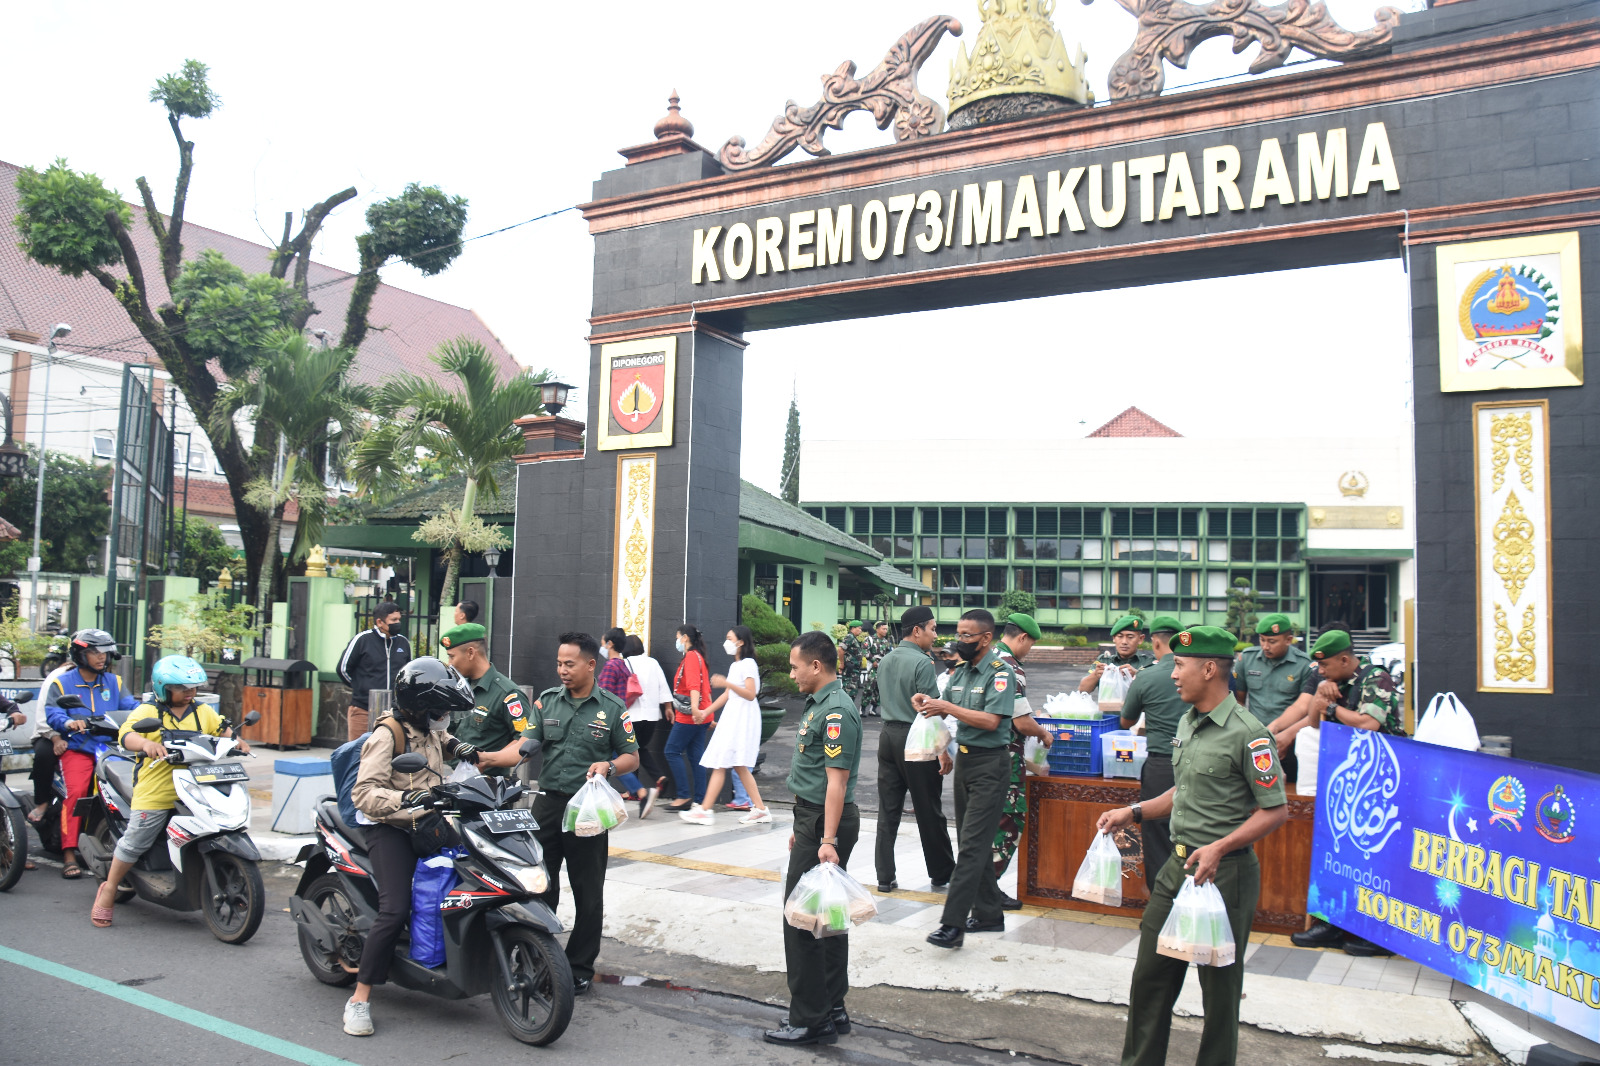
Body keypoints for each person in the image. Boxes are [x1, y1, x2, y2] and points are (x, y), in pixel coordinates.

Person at [1096, 626, 1289, 1066]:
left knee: (1219, 994)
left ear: (1209, 668)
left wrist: (1221, 847)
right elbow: (1183, 791)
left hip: (1225, 876)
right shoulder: (1187, 721)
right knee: (1150, 980)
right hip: (1176, 870)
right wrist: (1136, 811)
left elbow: (1274, 810)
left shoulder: (1249, 734)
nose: (1173, 675)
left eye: (1180, 666)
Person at [340, 657, 479, 1036]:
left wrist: (461, 749)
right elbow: (364, 793)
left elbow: (441, 741)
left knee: (474, 869)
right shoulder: (387, 735)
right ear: (418, 706)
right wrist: (406, 802)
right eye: (441, 709)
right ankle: (359, 999)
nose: (444, 717)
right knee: (394, 909)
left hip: (428, 819)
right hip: (392, 827)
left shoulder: (429, 726)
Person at [90, 654, 251, 926]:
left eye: (193, 688)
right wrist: (145, 745)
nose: (190, 693)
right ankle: (108, 889)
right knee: (137, 840)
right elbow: (126, 735)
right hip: (157, 787)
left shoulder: (202, 712)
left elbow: (224, 730)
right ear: (164, 688)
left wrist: (238, 742)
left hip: (196, 784)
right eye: (182, 688)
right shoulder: (148, 711)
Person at [526, 632, 640, 995]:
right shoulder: (546, 703)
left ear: (591, 665)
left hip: (588, 812)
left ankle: (578, 967)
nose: (562, 670)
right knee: (540, 886)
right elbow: (525, 746)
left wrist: (608, 765)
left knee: (588, 893)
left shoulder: (611, 708)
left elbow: (631, 756)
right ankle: (538, 957)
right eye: (559, 663)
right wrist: (486, 760)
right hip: (546, 805)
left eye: (569, 664)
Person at [764, 631, 863, 1047]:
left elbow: (836, 783)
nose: (792, 673)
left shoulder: (836, 711)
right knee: (828, 917)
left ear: (816, 666)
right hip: (812, 818)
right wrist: (799, 828)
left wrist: (826, 839)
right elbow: (812, 778)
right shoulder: (820, 705)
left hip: (826, 821)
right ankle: (832, 1006)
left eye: (794, 666)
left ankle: (809, 1018)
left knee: (800, 919)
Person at [1289, 628, 1404, 956]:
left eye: (1325, 667)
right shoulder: (1333, 681)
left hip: (1381, 781)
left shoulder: (1376, 678)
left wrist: (1332, 707)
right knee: (1336, 851)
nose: (1320, 672)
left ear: (1344, 659)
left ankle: (1376, 932)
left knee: (1373, 858)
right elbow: (1313, 723)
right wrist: (1321, 699)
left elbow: (1369, 723)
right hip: (1346, 777)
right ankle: (1331, 923)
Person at [912, 609, 1018, 949]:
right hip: (965, 764)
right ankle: (988, 914)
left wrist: (948, 708)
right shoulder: (962, 673)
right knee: (973, 843)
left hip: (991, 765)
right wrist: (928, 704)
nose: (959, 641)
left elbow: (990, 720)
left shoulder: (1000, 674)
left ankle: (952, 924)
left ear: (986, 638)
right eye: (957, 634)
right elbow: (950, 711)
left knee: (971, 846)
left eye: (967, 636)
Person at [872, 605, 954, 894]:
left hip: (888, 736)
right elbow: (930, 711)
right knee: (928, 808)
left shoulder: (885, 660)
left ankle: (884, 876)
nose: (935, 635)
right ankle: (942, 873)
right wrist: (942, 750)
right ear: (917, 630)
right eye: (932, 628)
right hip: (917, 739)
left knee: (888, 809)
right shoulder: (922, 663)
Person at [46, 629, 138, 880]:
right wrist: (67, 724)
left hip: (112, 748)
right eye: (94, 652)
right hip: (80, 749)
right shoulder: (62, 682)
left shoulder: (114, 682)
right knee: (76, 795)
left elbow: (132, 707)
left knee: (132, 790)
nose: (101, 658)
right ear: (79, 654)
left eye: (105, 653)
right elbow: (53, 713)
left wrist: (147, 714)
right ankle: (68, 852)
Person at [1118, 615, 1190, 889]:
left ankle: (1160, 905)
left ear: (1155, 642)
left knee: (1158, 836)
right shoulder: (1198, 672)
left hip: (1162, 763)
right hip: (1200, 763)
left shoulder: (1147, 676)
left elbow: (1125, 722)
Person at [991, 613, 1053, 908]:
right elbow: (1021, 721)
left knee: (982, 822)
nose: (1029, 651)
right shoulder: (1010, 667)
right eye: (1030, 644)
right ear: (1022, 637)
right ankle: (987, 887)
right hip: (1005, 756)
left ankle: (977, 886)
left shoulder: (984, 657)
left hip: (979, 755)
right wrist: (1042, 732)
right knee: (1009, 820)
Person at [682, 626, 770, 825]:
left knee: (724, 762)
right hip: (735, 716)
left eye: (730, 638)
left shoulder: (748, 664)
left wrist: (726, 683)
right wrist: (706, 711)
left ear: (741, 642)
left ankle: (705, 810)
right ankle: (761, 809)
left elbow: (750, 693)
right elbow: (727, 695)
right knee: (737, 765)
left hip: (742, 718)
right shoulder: (737, 665)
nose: (726, 642)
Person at [439, 623, 527, 777]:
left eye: (452, 656)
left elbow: (524, 741)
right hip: (457, 780)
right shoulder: (461, 689)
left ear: (471, 653)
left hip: (489, 787)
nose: (450, 663)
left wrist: (487, 761)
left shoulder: (507, 694)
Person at [1233, 613, 1314, 776]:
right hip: (1255, 741)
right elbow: (1239, 702)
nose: (1265, 646)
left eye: (1272, 641)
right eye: (1262, 640)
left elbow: (1303, 707)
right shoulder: (1246, 660)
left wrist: (1285, 733)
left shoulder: (1304, 665)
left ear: (1288, 640)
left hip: (1289, 741)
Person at [337, 601, 412, 740]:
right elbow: (343, 669)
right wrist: (360, 687)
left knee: (389, 754)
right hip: (363, 710)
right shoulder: (362, 640)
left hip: (393, 713)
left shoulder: (403, 643)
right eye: (393, 620)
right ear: (379, 622)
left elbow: (408, 673)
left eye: (399, 619)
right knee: (358, 753)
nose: (398, 623)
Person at [664, 624, 713, 812]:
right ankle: (699, 800)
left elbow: (694, 685)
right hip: (701, 714)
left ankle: (684, 795)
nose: (676, 641)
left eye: (677, 637)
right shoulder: (698, 656)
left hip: (691, 715)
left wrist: (694, 710)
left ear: (684, 638)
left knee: (671, 751)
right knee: (696, 756)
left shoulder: (691, 657)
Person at [623, 634, 674, 803]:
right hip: (652, 716)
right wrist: (668, 708)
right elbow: (663, 686)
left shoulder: (624, 663)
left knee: (630, 751)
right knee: (639, 749)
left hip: (632, 715)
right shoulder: (653, 662)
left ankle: (636, 788)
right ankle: (644, 784)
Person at [1078, 615, 1155, 693]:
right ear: (1114, 638)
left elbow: (1158, 689)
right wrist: (1095, 675)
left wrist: (1137, 675)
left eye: (1130, 637)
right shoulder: (1104, 661)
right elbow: (1082, 690)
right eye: (1120, 636)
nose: (1124, 642)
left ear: (1140, 639)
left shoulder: (1149, 662)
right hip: (1109, 705)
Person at [838, 621, 869, 710]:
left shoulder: (854, 638)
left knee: (853, 691)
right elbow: (840, 649)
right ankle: (844, 710)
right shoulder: (849, 637)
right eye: (858, 628)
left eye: (861, 628)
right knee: (849, 690)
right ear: (852, 628)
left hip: (854, 670)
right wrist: (842, 663)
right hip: (850, 669)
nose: (860, 630)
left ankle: (847, 709)